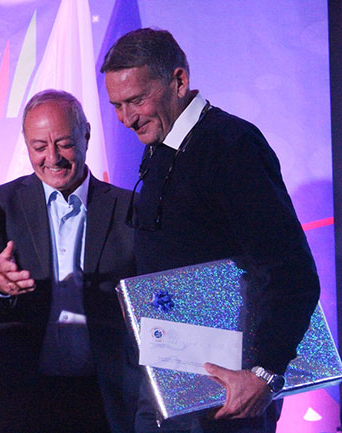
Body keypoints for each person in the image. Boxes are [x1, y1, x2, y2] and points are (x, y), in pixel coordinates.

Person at [101, 28, 320, 433]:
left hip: (229, 392)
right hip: (168, 383)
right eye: (117, 105)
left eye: (136, 100)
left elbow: (290, 270)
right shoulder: (161, 145)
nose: (126, 118)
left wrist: (264, 373)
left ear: (179, 81)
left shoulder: (232, 146)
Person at [0, 89, 140, 433]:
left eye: (64, 144)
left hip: (104, 402)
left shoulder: (130, 209)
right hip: (14, 401)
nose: (52, 158)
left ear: (86, 134)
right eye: (39, 147)